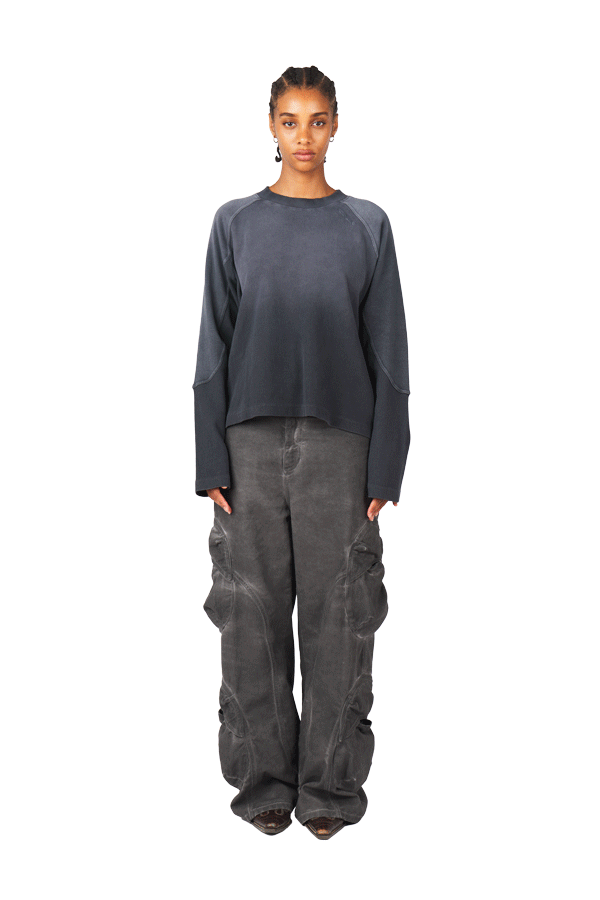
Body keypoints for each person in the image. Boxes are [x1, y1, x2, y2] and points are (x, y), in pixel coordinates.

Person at [192, 65, 410, 840]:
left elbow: (389, 352)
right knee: (248, 618)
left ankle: (328, 790)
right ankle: (262, 785)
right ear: (272, 126)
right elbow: (213, 344)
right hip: (246, 444)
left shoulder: (367, 225)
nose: (304, 136)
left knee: (339, 616)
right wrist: (208, 459)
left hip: (341, 446)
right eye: (290, 120)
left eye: (317, 120)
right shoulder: (235, 223)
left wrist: (386, 462)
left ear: (336, 125)